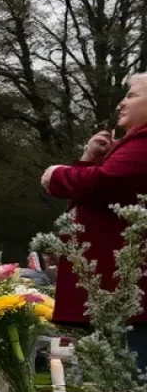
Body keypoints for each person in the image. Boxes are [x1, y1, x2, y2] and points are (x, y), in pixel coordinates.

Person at [42, 73, 147, 368]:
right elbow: (95, 193)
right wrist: (90, 156)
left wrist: (57, 175)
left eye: (132, 95)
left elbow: (104, 182)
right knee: (124, 387)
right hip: (124, 296)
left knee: (135, 386)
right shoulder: (136, 142)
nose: (122, 103)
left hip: (134, 297)